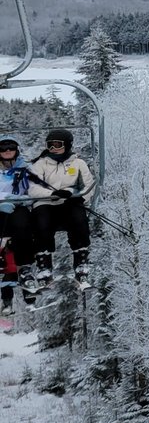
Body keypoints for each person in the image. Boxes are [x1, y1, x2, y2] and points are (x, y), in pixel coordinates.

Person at [29, 128, 95, 283]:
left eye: (57, 145)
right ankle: (44, 264)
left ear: (68, 145)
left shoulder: (78, 163)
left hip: (69, 202)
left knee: (79, 219)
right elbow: (32, 188)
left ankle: (81, 259)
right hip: (46, 202)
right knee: (41, 222)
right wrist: (51, 195)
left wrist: (79, 198)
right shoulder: (41, 164)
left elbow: (89, 185)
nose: (53, 149)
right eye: (50, 145)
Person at [0, 136, 36, 311]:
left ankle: (25, 269)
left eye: (11, 148)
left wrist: (23, 199)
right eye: (3, 148)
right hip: (1, 209)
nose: (7, 151)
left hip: (18, 207)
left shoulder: (24, 169)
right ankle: (7, 292)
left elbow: (35, 188)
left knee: (22, 226)